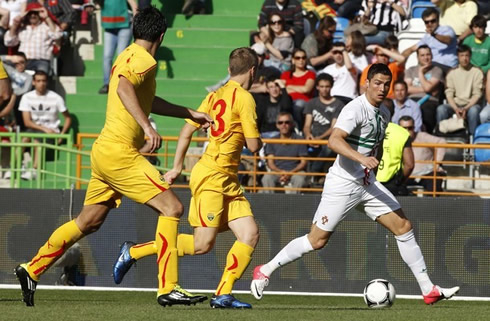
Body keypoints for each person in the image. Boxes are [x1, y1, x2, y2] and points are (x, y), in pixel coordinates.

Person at [13, 7, 213, 307]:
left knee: (88, 222)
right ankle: (168, 287)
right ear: (162, 35)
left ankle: (32, 269)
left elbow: (145, 98)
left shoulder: (127, 54)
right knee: (172, 208)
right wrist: (147, 127)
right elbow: (122, 88)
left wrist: (189, 113)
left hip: (105, 151)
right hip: (120, 154)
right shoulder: (145, 59)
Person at [250, 63, 460, 305]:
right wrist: (362, 159)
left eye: (386, 84)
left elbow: (375, 143)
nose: (382, 89)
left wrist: (376, 158)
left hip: (367, 184)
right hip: (343, 184)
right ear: (367, 84)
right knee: (316, 240)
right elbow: (334, 140)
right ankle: (264, 271)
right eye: (377, 83)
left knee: (403, 226)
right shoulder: (354, 109)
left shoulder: (384, 113)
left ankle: (428, 289)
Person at [111, 47, 263, 309]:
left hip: (226, 179)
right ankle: (134, 251)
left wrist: (177, 167)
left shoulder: (214, 95)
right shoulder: (246, 99)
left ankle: (223, 294)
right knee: (202, 244)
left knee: (249, 234)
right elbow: (253, 144)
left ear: (229, 70)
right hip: (212, 178)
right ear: (253, 71)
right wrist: (257, 136)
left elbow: (185, 131)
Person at [17, 70, 68, 179]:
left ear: (47, 82)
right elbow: (27, 122)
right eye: (38, 81)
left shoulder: (56, 97)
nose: (41, 83)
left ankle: (35, 170)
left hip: (51, 132)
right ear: (33, 82)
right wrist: (44, 129)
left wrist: (62, 134)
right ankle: (17, 167)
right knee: (23, 139)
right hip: (37, 129)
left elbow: (68, 118)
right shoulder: (26, 97)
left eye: (44, 80)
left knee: (37, 141)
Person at [436, 44, 483, 136]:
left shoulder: (477, 72)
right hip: (455, 104)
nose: (464, 58)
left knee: (474, 111)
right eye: (462, 55)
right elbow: (449, 93)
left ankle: (471, 139)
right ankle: (440, 137)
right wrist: (456, 108)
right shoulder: (452, 73)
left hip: (471, 105)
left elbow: (477, 94)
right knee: (441, 109)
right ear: (458, 57)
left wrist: (466, 108)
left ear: (470, 57)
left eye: (467, 55)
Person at [303, 73, 343, 179]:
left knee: (329, 148)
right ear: (317, 87)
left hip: (329, 138)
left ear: (331, 87)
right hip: (313, 135)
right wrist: (308, 135)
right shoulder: (312, 103)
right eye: (321, 87)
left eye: (327, 87)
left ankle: (313, 173)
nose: (324, 89)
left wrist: (319, 139)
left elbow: (333, 128)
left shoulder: (338, 104)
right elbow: (307, 125)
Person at [4, 3, 62, 74]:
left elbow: (57, 35)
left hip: (40, 61)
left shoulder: (46, 27)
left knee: (41, 72)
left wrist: (47, 18)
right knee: (7, 70)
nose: (33, 15)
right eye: (30, 13)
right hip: (22, 61)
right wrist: (16, 22)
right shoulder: (22, 28)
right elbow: (8, 42)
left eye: (35, 13)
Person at [98, 0, 138, 94]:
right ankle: (107, 84)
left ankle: (121, 83)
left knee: (121, 55)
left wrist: (136, 17)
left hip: (125, 26)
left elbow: (133, 3)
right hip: (109, 27)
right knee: (107, 56)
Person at [262, 112, 308, 193]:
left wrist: (290, 173)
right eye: (280, 122)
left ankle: (294, 204)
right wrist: (280, 172)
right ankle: (269, 204)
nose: (284, 125)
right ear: (277, 125)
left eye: (287, 122)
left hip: (296, 172)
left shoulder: (300, 139)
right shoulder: (271, 140)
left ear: (292, 124)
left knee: (300, 179)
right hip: (277, 171)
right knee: (267, 178)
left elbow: (303, 162)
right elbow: (270, 162)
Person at [402, 7, 458, 74]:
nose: (430, 24)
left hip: (447, 66)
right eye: (427, 22)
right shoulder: (427, 36)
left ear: (438, 20)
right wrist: (400, 59)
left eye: (433, 21)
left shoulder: (446, 29)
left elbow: (448, 40)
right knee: (411, 72)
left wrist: (434, 35)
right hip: (432, 66)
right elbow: (412, 49)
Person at [401, 115, 447, 193]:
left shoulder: (422, 136)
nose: (407, 131)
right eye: (404, 128)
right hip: (405, 174)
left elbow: (441, 142)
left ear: (414, 128)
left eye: (410, 128)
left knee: (434, 179)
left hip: (424, 173)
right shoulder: (395, 139)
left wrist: (437, 163)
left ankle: (433, 204)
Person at [404, 45, 443, 134]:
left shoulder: (437, 70)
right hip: (411, 100)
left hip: (429, 101)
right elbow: (407, 89)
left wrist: (421, 72)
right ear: (418, 57)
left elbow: (427, 87)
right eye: (422, 55)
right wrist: (427, 89)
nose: (426, 58)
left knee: (426, 111)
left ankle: (426, 138)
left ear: (432, 56)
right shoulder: (410, 70)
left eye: (428, 55)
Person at [280, 48, 316, 128]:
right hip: (288, 102)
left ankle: (298, 128)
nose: (301, 60)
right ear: (293, 60)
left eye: (303, 57)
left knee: (299, 104)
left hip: (304, 104)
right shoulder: (285, 74)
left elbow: (306, 89)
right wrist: (300, 89)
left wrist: (289, 86)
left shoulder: (310, 74)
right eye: (298, 58)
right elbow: (282, 91)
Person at [376, 122, 414, 196]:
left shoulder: (368, 126)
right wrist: (400, 181)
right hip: (391, 183)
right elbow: (409, 165)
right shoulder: (402, 132)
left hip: (368, 179)